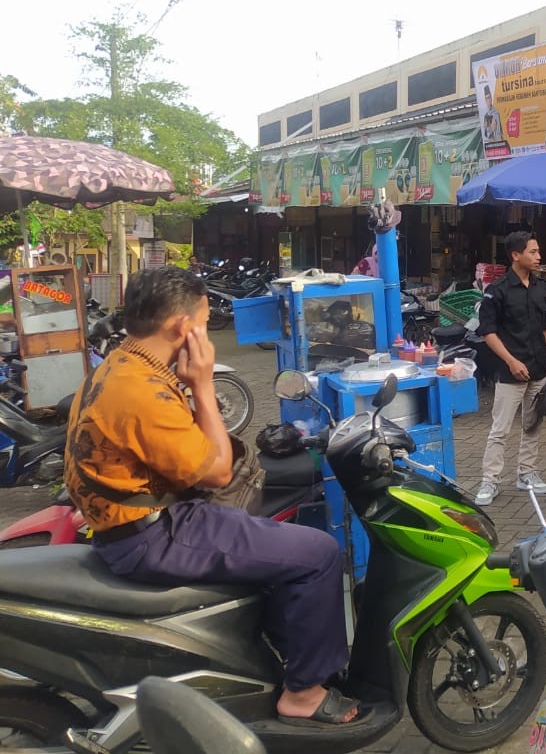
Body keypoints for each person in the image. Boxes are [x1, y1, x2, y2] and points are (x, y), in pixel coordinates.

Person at [63, 267, 357, 726]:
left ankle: (280, 656)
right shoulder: (140, 391)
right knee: (319, 552)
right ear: (183, 327)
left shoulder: (119, 365)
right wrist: (201, 383)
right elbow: (219, 472)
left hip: (138, 523)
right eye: (203, 321)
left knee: (277, 543)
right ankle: (304, 694)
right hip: (155, 533)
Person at [475, 231, 546, 506]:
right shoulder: (496, 291)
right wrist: (511, 361)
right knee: (500, 429)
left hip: (538, 368)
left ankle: (526, 473)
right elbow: (487, 332)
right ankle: (490, 480)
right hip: (510, 373)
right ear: (516, 255)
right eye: (533, 252)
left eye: (538, 252)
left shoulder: (541, 287)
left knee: (533, 424)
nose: (539, 257)